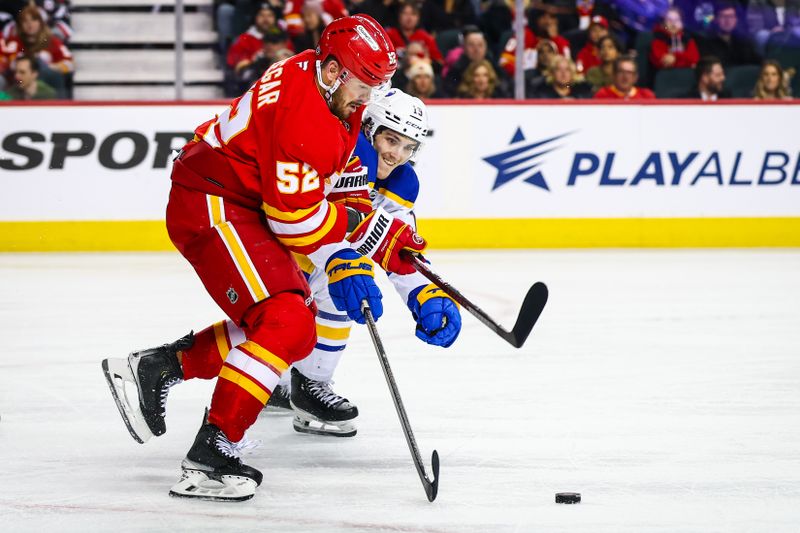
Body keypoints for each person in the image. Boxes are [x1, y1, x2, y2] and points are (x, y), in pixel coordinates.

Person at [102, 15, 429, 503]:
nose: (369, 97)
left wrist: (389, 250)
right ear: (336, 71)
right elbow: (295, 222)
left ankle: (160, 367)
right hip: (212, 203)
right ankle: (210, 455)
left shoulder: (322, 81)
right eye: (365, 84)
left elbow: (343, 195)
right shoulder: (306, 119)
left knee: (288, 320)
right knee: (288, 320)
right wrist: (348, 256)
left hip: (241, 200)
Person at [264, 89, 462, 436]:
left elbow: (398, 246)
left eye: (408, 147)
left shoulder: (402, 182)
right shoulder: (342, 152)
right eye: (390, 139)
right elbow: (318, 220)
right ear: (369, 127)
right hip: (274, 243)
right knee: (342, 277)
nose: (396, 154)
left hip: (295, 256)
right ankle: (310, 383)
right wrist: (343, 258)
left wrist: (424, 293)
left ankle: (278, 383)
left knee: (332, 282)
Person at [697, 2, 760, 67]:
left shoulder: (743, 40)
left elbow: (756, 61)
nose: (728, 21)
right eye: (723, 16)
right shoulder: (705, 42)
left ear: (736, 19)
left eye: (731, 16)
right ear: (716, 19)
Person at [387, 2, 444, 69]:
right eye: (405, 13)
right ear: (399, 16)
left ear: (418, 18)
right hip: (395, 73)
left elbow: (440, 63)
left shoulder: (425, 37)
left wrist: (427, 61)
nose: (409, 18)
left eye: (413, 14)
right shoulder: (389, 35)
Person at [649, 7, 699, 71]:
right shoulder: (658, 37)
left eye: (677, 20)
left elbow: (694, 59)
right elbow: (660, 60)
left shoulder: (687, 38)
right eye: (669, 20)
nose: (673, 23)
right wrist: (685, 61)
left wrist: (675, 58)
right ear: (664, 23)